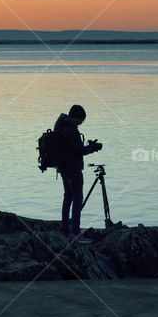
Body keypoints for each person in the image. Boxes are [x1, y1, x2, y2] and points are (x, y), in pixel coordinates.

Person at [54, 104, 102, 243]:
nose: (81, 123)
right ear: (77, 118)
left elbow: (72, 148)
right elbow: (79, 150)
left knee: (68, 197)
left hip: (63, 168)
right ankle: (75, 232)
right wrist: (93, 148)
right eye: (81, 120)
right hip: (73, 169)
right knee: (77, 198)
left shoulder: (61, 126)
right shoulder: (71, 129)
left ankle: (64, 229)